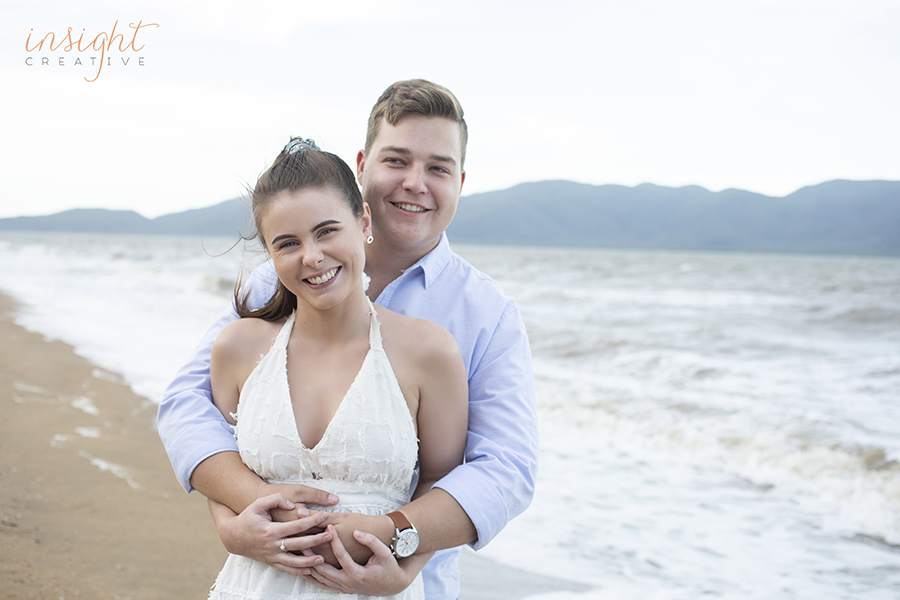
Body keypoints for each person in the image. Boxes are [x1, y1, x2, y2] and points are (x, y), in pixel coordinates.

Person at [157, 79, 539, 599]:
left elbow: (506, 468)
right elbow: (189, 405)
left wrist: (402, 541)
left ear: (460, 180)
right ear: (363, 166)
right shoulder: (279, 279)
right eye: (397, 160)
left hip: (399, 579)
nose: (415, 183)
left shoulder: (485, 315)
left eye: (438, 168)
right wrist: (239, 512)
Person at [205, 137, 468, 599]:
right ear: (270, 253)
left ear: (363, 222)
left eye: (327, 231)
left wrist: (406, 563)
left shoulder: (429, 352)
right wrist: (229, 528)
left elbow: (442, 483)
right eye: (288, 243)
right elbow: (219, 465)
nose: (312, 256)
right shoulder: (238, 347)